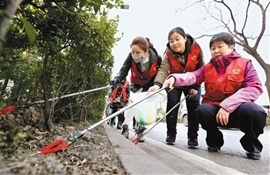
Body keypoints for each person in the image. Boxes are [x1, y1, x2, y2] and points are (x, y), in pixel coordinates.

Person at [164, 32, 267, 160]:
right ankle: (214, 141)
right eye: (213, 48)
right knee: (202, 110)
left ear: (232, 47)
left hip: (239, 110)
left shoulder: (245, 64)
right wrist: (174, 78)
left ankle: (251, 145)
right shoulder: (208, 68)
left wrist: (227, 106)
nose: (216, 50)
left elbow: (254, 88)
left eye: (220, 46)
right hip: (215, 111)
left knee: (255, 111)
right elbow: (193, 76)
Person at [148, 27, 204, 148]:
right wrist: (157, 85)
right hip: (175, 82)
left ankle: (193, 136)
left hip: (193, 82)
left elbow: (201, 68)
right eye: (171, 41)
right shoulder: (168, 53)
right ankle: (171, 133)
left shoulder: (196, 48)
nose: (174, 43)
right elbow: (163, 69)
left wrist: (196, 86)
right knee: (172, 104)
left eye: (177, 39)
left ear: (184, 38)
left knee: (193, 106)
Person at [110, 36, 162, 141]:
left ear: (146, 51)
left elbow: (162, 73)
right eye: (133, 52)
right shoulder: (131, 57)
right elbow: (124, 69)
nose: (135, 55)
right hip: (137, 83)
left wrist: (158, 85)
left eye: (138, 53)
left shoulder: (157, 58)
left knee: (145, 107)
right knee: (131, 104)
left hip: (150, 84)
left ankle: (140, 130)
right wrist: (117, 78)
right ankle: (125, 127)